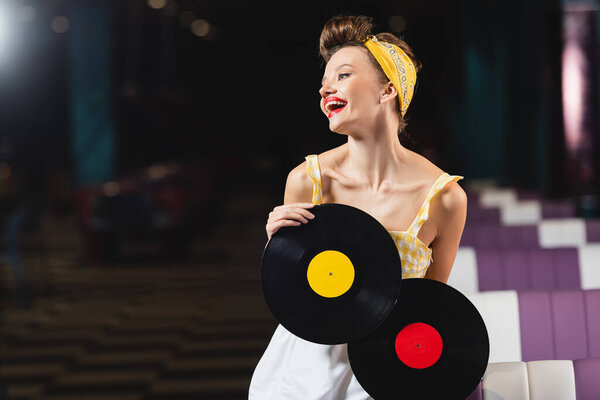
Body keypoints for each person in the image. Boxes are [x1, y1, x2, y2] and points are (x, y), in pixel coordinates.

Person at [249, 14, 467, 399]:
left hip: (387, 371)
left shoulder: (445, 199)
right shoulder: (306, 179)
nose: (325, 89)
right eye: (324, 81)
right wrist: (277, 250)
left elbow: (432, 311)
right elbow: (291, 298)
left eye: (343, 75)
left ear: (387, 91)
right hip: (304, 370)